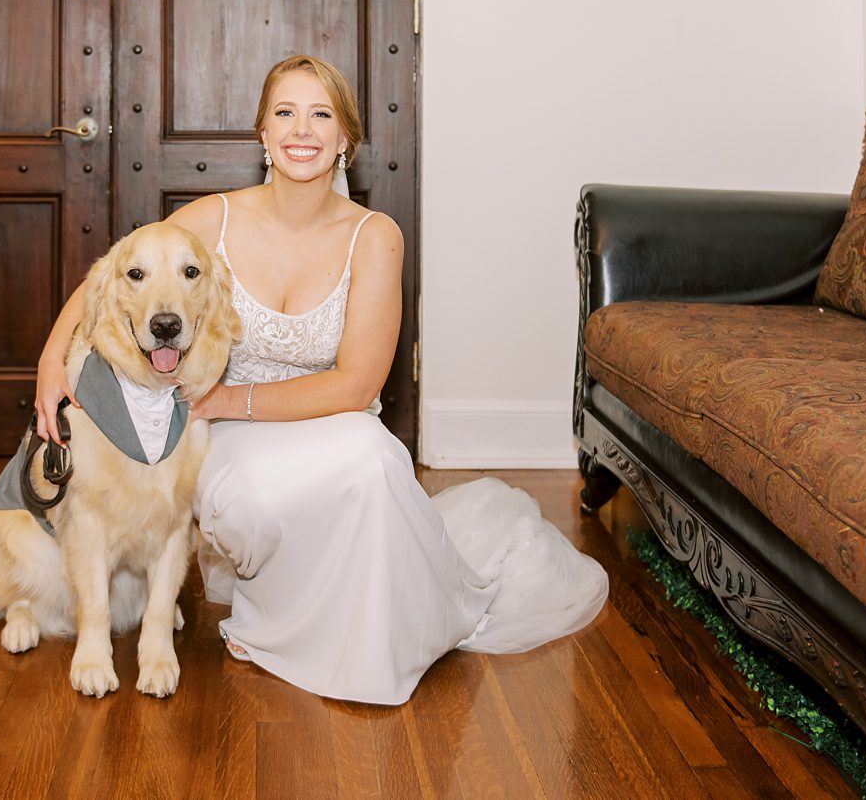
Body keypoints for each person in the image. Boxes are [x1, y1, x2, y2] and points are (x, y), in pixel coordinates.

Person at [34, 55, 608, 705]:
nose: (300, 129)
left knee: (373, 461)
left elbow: (358, 385)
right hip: (225, 437)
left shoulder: (374, 236)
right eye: (284, 112)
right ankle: (273, 616)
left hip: (326, 419)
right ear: (262, 135)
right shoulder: (208, 221)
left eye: (321, 114)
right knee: (252, 495)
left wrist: (228, 398)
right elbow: (106, 279)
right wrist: (52, 364)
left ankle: (376, 631)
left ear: (345, 141)